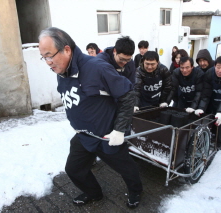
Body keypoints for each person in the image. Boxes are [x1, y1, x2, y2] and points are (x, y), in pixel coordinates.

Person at [38, 27, 143, 208]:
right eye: (44, 57)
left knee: (125, 167)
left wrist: (118, 130)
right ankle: (93, 193)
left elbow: (128, 95)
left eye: (49, 55)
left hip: (106, 136)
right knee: (74, 169)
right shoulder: (61, 72)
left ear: (67, 50)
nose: (48, 62)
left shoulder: (97, 68)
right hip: (85, 135)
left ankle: (136, 191)